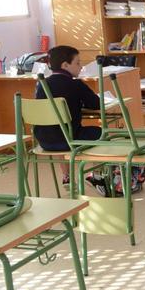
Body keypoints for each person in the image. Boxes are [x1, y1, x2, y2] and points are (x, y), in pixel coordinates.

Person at [34, 45, 101, 187]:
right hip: (70, 140)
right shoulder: (75, 84)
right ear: (65, 65)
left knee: (59, 128)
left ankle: (67, 177)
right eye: (77, 63)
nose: (81, 67)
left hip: (44, 141)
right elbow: (96, 104)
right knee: (102, 133)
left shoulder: (41, 85)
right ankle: (97, 175)